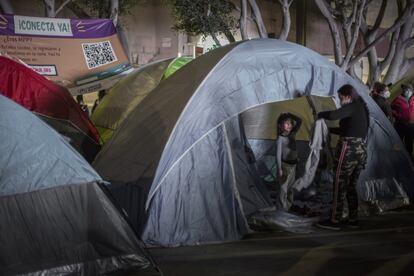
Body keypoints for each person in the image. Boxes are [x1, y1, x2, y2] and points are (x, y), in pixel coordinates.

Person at [315, 84, 369, 231]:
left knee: (339, 184)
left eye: (340, 98)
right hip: (361, 150)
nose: (339, 101)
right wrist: (328, 130)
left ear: (348, 97)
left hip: (348, 149)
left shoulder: (353, 106)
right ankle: (353, 219)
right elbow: (347, 129)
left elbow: (333, 115)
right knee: (351, 186)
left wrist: (320, 115)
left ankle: (334, 220)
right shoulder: (360, 108)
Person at [275, 112, 302, 211]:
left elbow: (299, 121)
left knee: (291, 188)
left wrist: (290, 114)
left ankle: (288, 207)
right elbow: (278, 155)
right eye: (286, 123)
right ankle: (281, 208)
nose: (289, 125)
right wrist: (279, 169)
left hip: (293, 165)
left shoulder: (292, 134)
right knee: (283, 189)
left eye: (290, 123)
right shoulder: (280, 139)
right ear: (280, 126)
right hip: (285, 166)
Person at [391, 84, 411, 154]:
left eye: (409, 90)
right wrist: (398, 116)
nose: (408, 92)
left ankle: (409, 155)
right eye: (406, 90)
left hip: (409, 125)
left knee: (409, 141)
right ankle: (397, 155)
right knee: (398, 140)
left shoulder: (410, 99)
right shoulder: (398, 99)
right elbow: (391, 110)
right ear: (403, 91)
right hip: (400, 124)